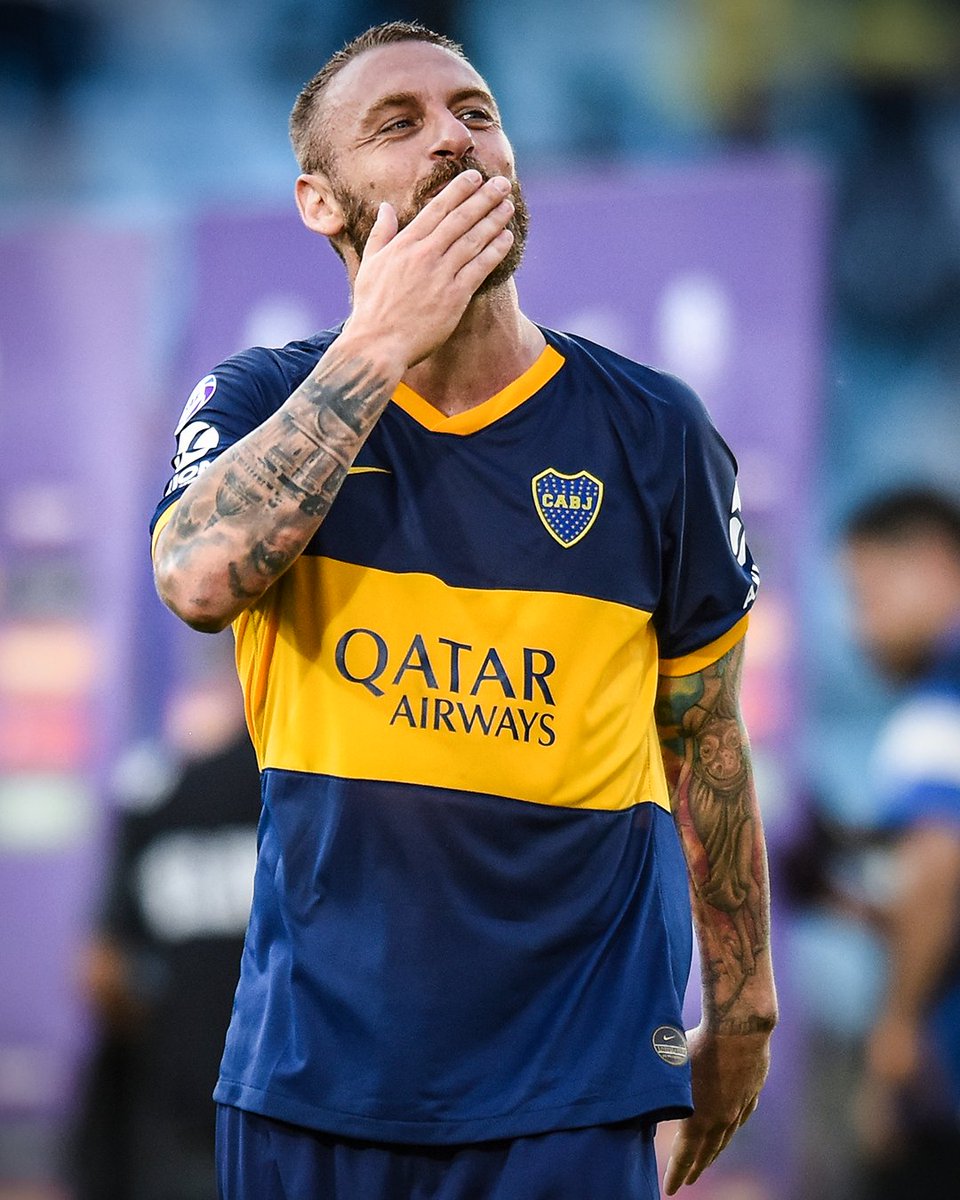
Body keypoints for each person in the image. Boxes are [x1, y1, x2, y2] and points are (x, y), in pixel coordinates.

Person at [150, 21, 777, 1200]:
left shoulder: (654, 430)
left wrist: (743, 1010)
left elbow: (704, 733)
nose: (454, 137)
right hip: (313, 1078)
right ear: (320, 202)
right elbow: (197, 578)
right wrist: (382, 339)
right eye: (400, 124)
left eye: (476, 113)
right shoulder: (262, 397)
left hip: (573, 1084)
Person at [69, 674, 261, 1200]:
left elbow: (102, 973)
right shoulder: (307, 799)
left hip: (181, 1095)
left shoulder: (156, 796)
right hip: (287, 1095)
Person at [840, 486, 960, 1199]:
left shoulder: (941, 695)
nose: (860, 627)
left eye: (869, 594)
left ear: (936, 561)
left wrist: (896, 1031)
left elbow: (937, 864)